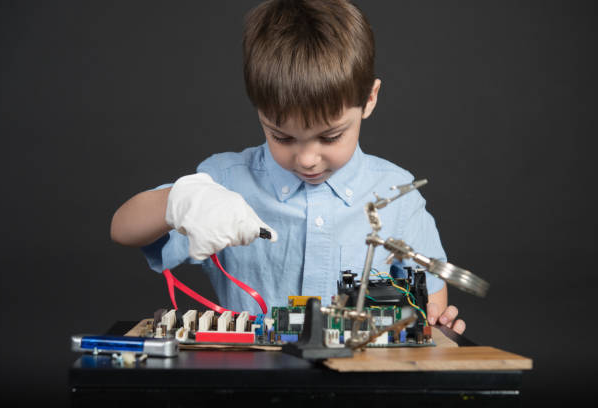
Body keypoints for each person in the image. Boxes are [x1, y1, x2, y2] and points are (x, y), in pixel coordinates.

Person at [110, 0, 466, 334]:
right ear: (260, 112)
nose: (307, 159)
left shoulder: (396, 195)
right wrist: (180, 201)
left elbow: (427, 306)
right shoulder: (223, 183)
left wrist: (434, 322)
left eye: (329, 137)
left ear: (369, 99)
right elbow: (123, 229)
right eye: (282, 137)